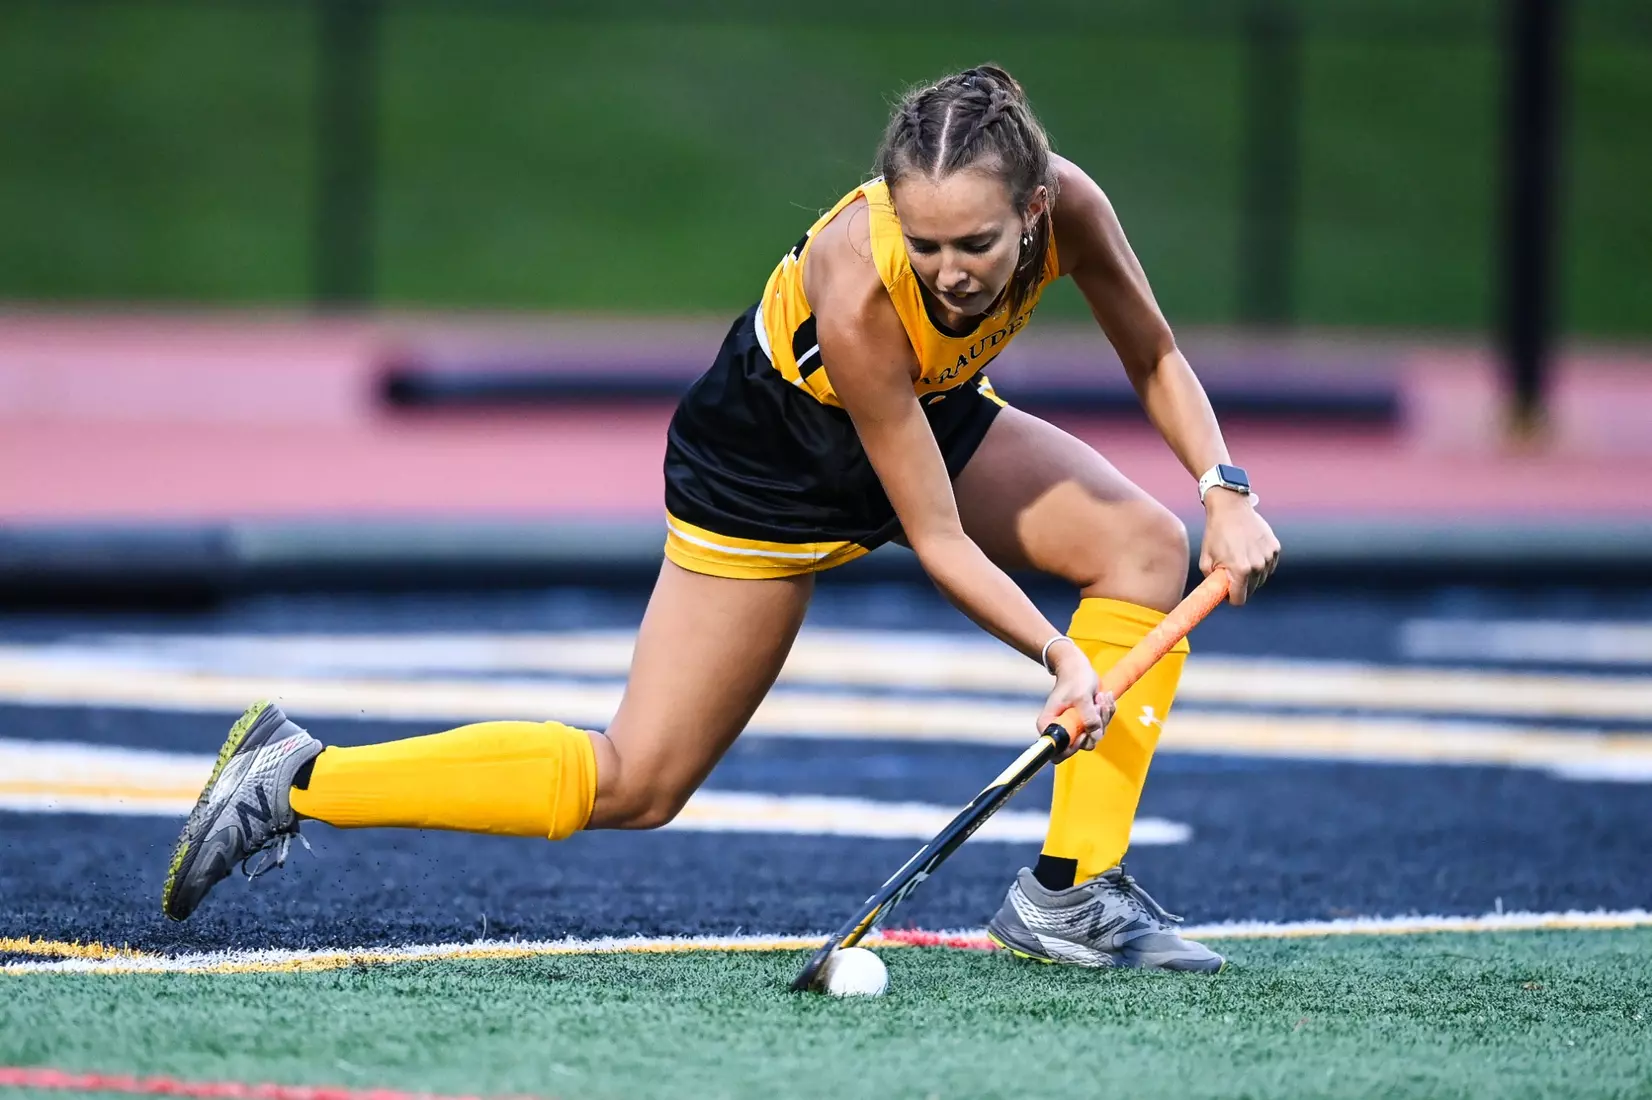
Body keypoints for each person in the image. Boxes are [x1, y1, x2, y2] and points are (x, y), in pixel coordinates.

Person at [162, 64, 1279, 973]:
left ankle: (1068, 892)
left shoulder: (1069, 207)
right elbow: (933, 537)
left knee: (1143, 544)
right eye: (924, 243)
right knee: (638, 781)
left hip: (926, 419)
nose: (947, 274)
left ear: (1031, 207)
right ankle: (295, 776)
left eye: (975, 247)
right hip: (768, 463)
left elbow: (1153, 352)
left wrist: (1224, 489)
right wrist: (1053, 656)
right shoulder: (858, 286)